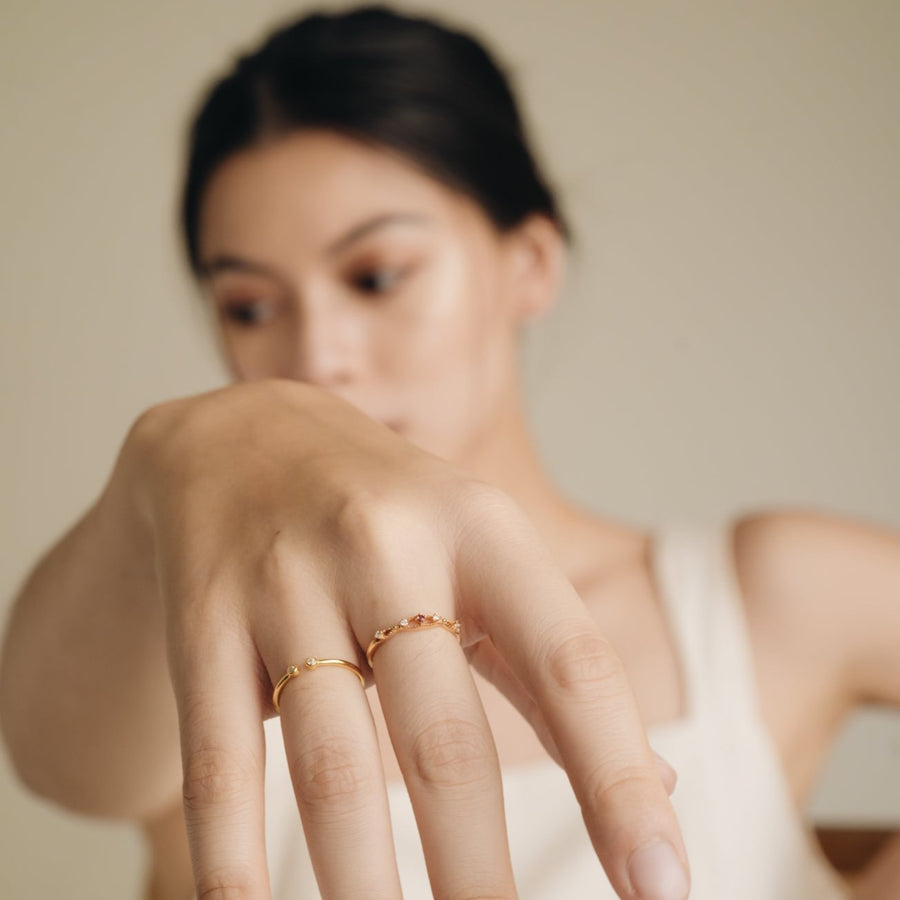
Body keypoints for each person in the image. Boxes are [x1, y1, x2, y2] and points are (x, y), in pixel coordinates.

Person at [0, 5, 897, 899]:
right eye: (249, 306)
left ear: (530, 263)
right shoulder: (206, 659)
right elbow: (57, 763)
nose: (316, 358)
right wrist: (175, 451)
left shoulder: (763, 597)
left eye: (377, 276)